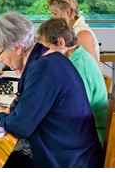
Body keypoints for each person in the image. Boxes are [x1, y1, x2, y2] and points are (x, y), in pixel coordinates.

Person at [0, 12, 103, 168]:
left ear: (17, 48)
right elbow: (26, 111)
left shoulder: (45, 68)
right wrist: (10, 113)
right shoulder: (44, 60)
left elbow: (20, 127)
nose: (0, 60)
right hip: (66, 154)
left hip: (67, 164)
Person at [36, 18, 108, 146]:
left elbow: (74, 110)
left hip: (91, 139)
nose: (44, 54)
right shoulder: (76, 58)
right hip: (84, 130)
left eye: (47, 48)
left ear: (61, 42)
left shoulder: (81, 67)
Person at [47, 0, 101, 69]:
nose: (52, 17)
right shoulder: (69, 31)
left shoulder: (83, 35)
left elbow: (95, 70)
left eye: (55, 13)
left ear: (68, 12)